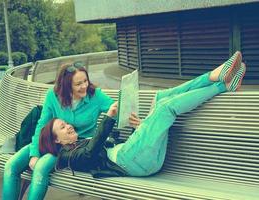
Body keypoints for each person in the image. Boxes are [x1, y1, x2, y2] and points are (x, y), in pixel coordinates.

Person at [38, 51, 246, 182]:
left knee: (160, 97)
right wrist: (108, 119)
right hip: (131, 163)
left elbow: (110, 141)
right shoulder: (67, 157)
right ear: (56, 140)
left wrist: (132, 122)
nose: (68, 126)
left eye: (65, 123)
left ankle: (214, 75)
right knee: (165, 108)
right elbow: (91, 154)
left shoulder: (81, 140)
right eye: (62, 127)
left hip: (135, 153)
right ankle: (222, 86)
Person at [2, 61, 114, 200]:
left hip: (75, 146)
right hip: (52, 140)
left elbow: (117, 109)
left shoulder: (95, 95)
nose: (84, 86)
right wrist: (34, 154)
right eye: (78, 84)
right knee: (10, 166)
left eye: (85, 81)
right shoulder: (52, 96)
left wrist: (129, 116)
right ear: (67, 86)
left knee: (41, 168)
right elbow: (42, 126)